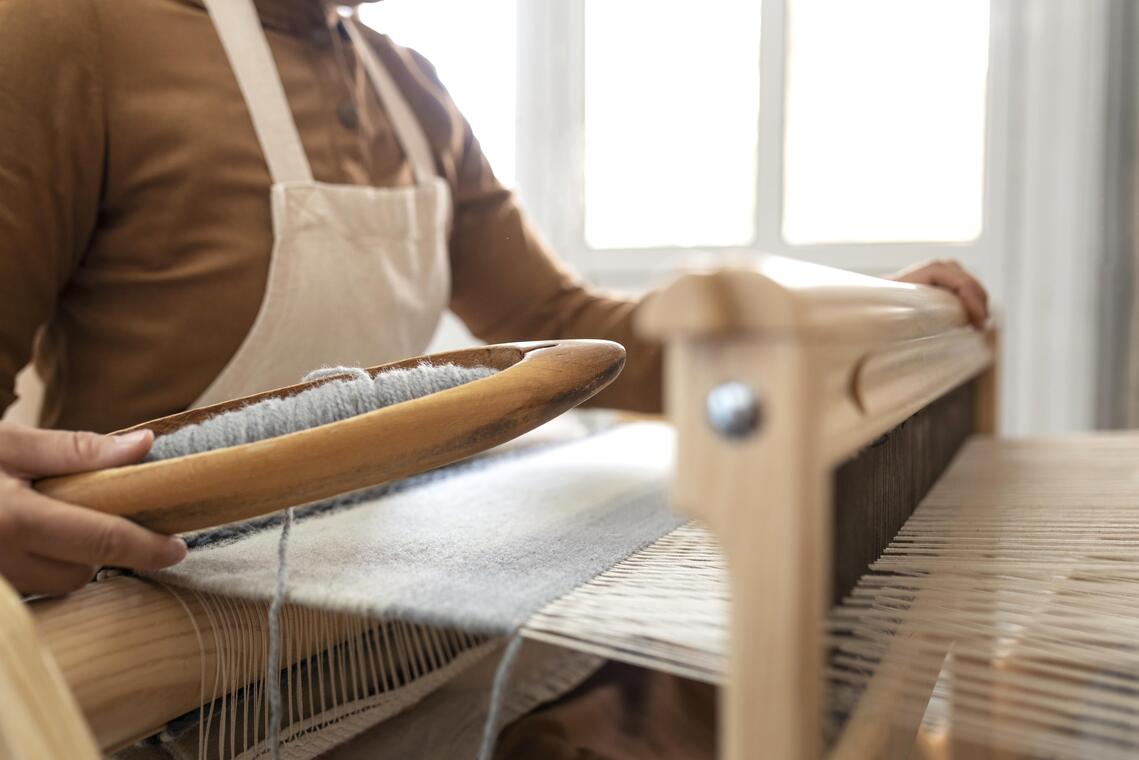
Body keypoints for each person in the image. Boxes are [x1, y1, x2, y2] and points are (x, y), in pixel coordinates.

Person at [0, 0, 989, 754]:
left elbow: (553, 324)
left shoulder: (409, 86)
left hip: (381, 621)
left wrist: (801, 331)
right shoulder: (69, 35)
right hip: (158, 676)